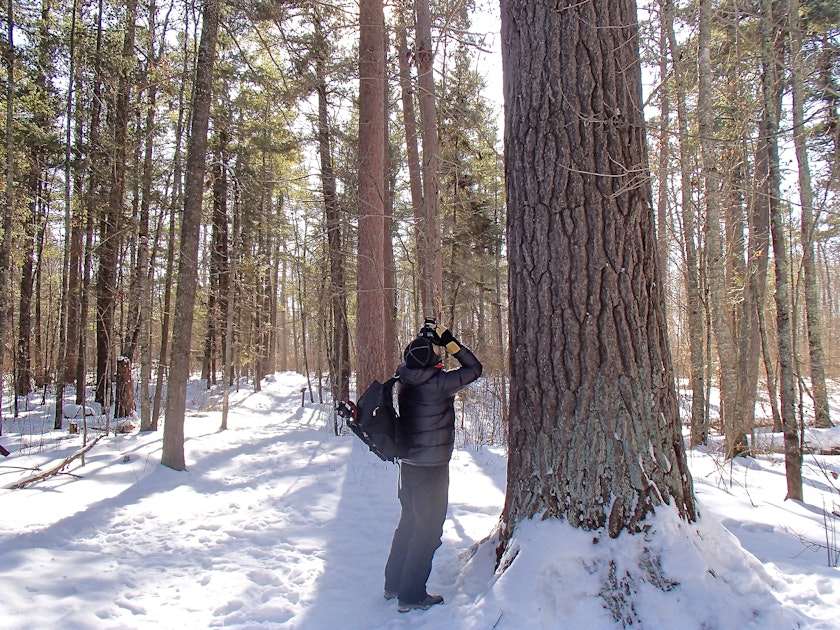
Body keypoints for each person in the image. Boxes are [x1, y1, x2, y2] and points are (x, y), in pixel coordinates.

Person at [383, 323, 482, 613]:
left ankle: (393, 585)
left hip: (409, 465)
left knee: (409, 524)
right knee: (427, 532)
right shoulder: (438, 383)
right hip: (432, 467)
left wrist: (427, 345)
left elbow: (418, 359)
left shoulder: (404, 377)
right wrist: (450, 342)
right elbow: (474, 369)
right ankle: (411, 595)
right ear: (431, 359)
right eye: (435, 351)